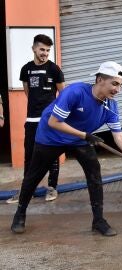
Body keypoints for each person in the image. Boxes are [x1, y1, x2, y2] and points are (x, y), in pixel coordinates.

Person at [10, 61, 122, 237]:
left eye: (120, 85)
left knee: (94, 174)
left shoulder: (110, 106)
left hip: (79, 138)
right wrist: (84, 135)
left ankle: (98, 220)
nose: (118, 90)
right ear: (99, 80)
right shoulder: (75, 92)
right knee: (34, 175)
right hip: (51, 136)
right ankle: (20, 214)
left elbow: (118, 136)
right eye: (114, 84)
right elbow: (54, 122)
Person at [7, 34, 65, 204]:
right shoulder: (26, 69)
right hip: (32, 120)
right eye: (42, 49)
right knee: (29, 156)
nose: (45, 53)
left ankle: (52, 187)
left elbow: (63, 95)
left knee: (52, 155)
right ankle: (28, 190)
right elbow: (28, 93)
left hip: (50, 121)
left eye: (47, 50)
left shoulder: (54, 69)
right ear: (33, 48)